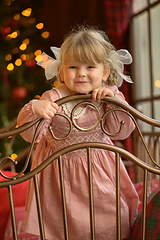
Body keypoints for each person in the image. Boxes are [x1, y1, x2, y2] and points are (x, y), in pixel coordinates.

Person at [17, 26, 139, 240]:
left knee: (110, 216)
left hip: (100, 171)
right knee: (63, 224)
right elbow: (30, 135)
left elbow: (121, 130)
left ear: (105, 72)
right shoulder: (53, 96)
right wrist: (36, 109)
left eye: (90, 66)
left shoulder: (105, 96)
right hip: (60, 176)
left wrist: (113, 99)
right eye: (73, 67)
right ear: (62, 72)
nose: (81, 73)